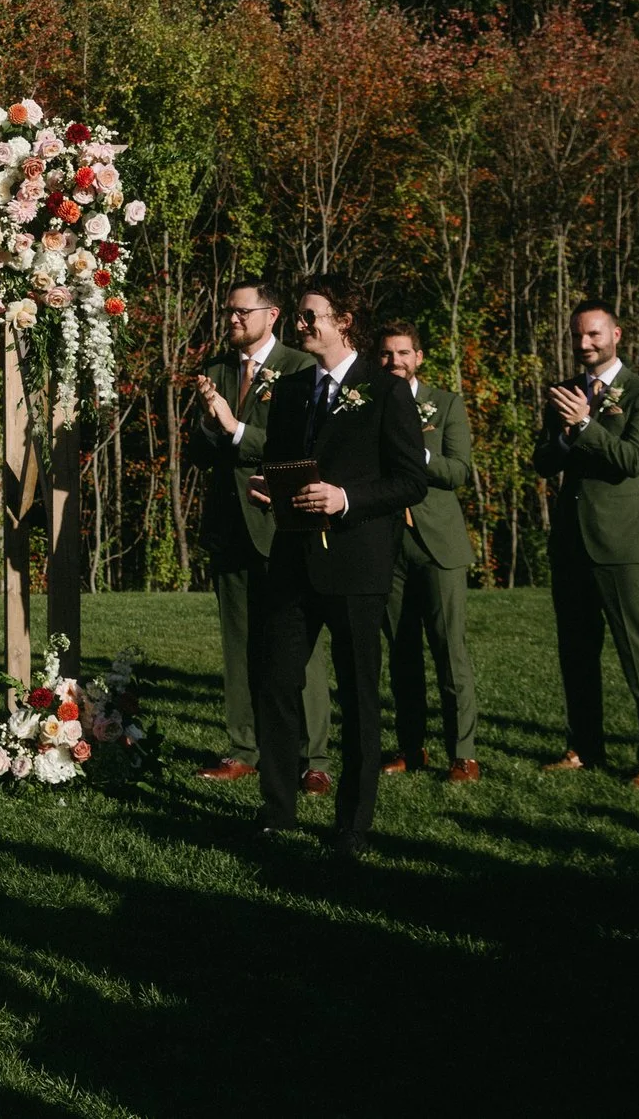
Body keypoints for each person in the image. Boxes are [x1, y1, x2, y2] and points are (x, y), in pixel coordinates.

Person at [245, 275, 427, 858]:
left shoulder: (386, 390)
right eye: (298, 316)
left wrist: (345, 498)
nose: (300, 325)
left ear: (344, 319)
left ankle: (352, 825)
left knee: (358, 697)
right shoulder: (293, 389)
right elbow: (282, 461)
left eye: (309, 315)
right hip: (293, 561)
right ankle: (277, 813)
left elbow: (410, 481)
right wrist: (269, 489)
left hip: (356, 565)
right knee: (273, 681)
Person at [191, 280, 328, 790]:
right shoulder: (217, 371)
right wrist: (210, 425)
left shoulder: (299, 368)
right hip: (229, 528)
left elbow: (303, 445)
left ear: (270, 315)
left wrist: (235, 429)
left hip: (282, 524)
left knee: (300, 646)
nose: (230, 319)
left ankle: (314, 758)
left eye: (240, 311)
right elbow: (202, 449)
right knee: (239, 644)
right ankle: (244, 747)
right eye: (227, 311)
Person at [533, 301, 639, 788]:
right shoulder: (566, 392)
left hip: (623, 545)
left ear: (616, 334)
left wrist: (588, 426)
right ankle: (583, 747)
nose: (584, 344)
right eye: (577, 337)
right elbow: (543, 460)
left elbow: (633, 460)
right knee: (576, 652)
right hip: (572, 542)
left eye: (594, 335)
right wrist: (567, 436)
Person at [373, 322, 481, 782]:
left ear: (418, 357)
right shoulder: (364, 403)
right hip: (387, 544)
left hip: (438, 544)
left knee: (449, 650)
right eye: (385, 354)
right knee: (401, 653)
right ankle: (411, 747)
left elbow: (458, 471)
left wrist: (414, 453)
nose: (393, 361)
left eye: (402, 353)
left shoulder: (447, 404)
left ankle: (464, 753)